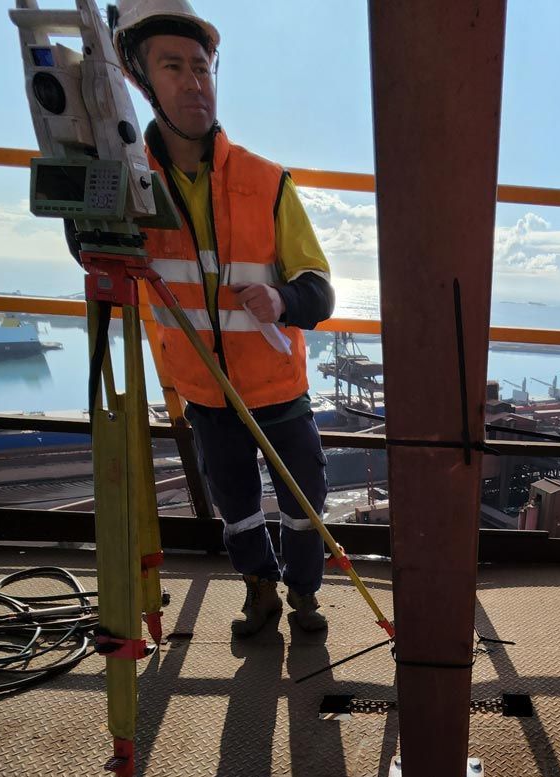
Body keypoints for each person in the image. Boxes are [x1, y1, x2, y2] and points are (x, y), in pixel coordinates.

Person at [112, 0, 335, 636]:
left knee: (304, 505)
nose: (193, 81)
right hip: (207, 395)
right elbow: (96, 251)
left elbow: (319, 292)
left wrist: (285, 301)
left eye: (202, 67)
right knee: (235, 505)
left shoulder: (268, 183)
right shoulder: (133, 183)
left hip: (279, 392)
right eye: (173, 66)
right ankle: (260, 590)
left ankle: (306, 596)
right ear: (141, 80)